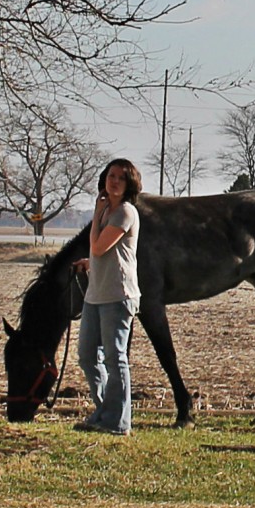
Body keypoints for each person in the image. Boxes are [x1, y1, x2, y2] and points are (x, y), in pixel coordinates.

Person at [74, 158, 142, 435]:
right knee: (87, 356)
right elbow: (103, 252)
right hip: (95, 293)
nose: (114, 181)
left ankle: (119, 422)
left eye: (121, 178)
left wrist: (95, 216)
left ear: (129, 185)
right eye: (111, 176)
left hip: (118, 294)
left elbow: (100, 247)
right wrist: (89, 262)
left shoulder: (125, 212)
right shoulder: (106, 211)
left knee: (116, 359)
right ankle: (104, 412)